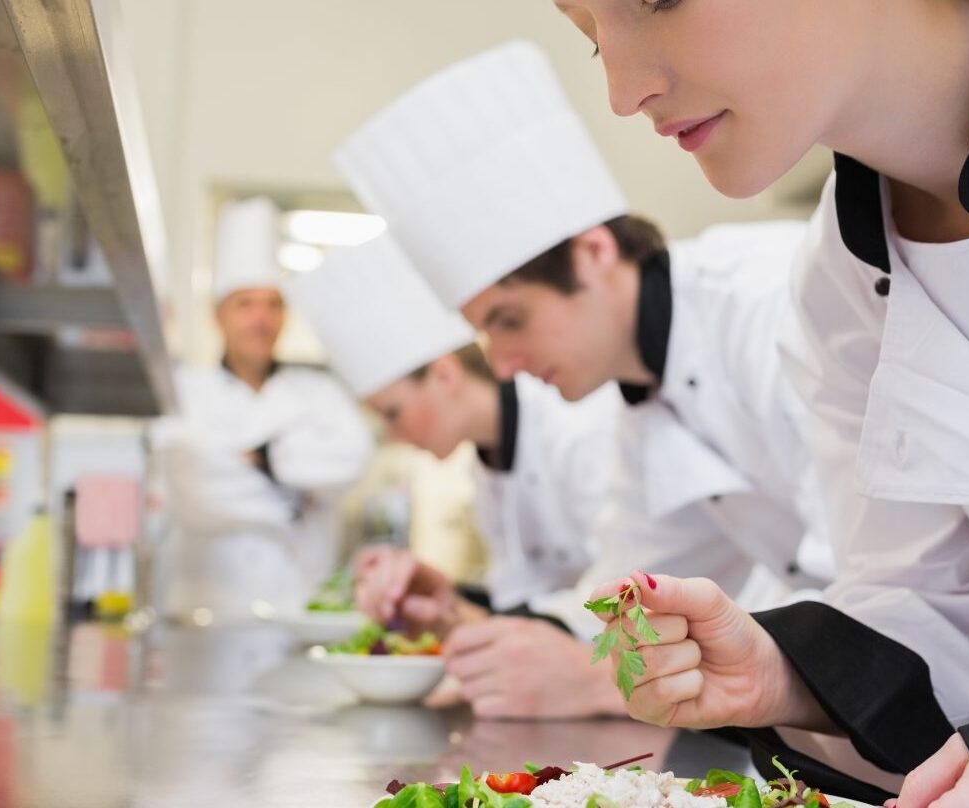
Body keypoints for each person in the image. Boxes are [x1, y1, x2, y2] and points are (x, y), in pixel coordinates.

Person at [558, 1, 969, 806]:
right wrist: (791, 672)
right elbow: (967, 602)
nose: (622, 92)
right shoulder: (843, 288)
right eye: (590, 37)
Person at [335, 40, 833, 620]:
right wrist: (459, 611)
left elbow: (869, 571)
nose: (501, 366)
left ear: (593, 253)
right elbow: (625, 593)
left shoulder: (769, 302)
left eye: (509, 321)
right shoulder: (645, 407)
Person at [288, 234, 715, 719]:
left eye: (393, 413)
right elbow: (539, 605)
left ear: (445, 376)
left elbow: (629, 593)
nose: (394, 435)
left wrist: (580, 671)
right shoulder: (486, 466)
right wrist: (450, 610)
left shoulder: (582, 424)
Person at [151, 197, 373, 621]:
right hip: (205, 614)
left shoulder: (321, 392)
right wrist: (297, 495)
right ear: (218, 316)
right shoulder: (183, 392)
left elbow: (352, 460)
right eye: (245, 304)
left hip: (298, 609)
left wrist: (258, 460)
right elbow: (192, 487)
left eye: (274, 304)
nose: (261, 318)